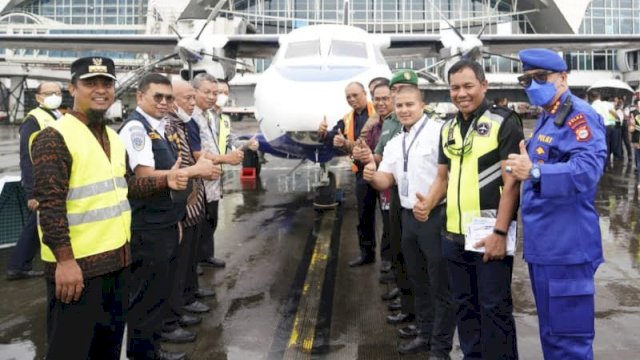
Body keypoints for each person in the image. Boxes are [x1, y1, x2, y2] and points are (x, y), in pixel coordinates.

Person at [30, 57, 181, 359]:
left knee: (107, 350)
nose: (100, 90)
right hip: (78, 271)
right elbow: (50, 205)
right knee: (70, 351)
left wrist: (168, 179)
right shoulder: (54, 137)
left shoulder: (112, 137)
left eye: (106, 83)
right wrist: (65, 261)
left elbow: (126, 186)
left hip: (117, 265)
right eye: (90, 83)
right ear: (73, 88)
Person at [506, 48, 607, 360]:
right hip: (546, 247)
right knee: (552, 335)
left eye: (540, 78)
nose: (533, 85)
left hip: (566, 248)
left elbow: (587, 171)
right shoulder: (549, 117)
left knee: (568, 342)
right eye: (527, 80)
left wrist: (534, 171)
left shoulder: (579, 116)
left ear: (563, 78)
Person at [417, 59, 523, 359]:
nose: (461, 93)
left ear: (484, 86)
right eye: (454, 88)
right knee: (465, 306)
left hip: (489, 235)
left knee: (494, 309)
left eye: (468, 86)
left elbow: (512, 184)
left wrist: (501, 232)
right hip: (453, 236)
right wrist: (429, 202)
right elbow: (443, 177)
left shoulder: (505, 122)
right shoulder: (448, 127)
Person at [119, 73, 218, 360]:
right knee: (146, 298)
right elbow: (145, 177)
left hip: (163, 222)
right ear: (140, 97)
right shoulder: (137, 129)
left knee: (157, 293)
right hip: (147, 227)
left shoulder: (158, 127)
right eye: (157, 97)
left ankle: (153, 350)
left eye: (168, 98)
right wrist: (191, 172)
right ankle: (143, 354)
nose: (164, 103)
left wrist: (174, 220)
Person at [363, 86, 456, 359]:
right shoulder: (394, 142)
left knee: (440, 284)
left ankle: (441, 347)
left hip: (434, 216)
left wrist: (430, 202)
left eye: (409, 105)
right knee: (418, 280)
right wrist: (370, 174)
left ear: (422, 105)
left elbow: (448, 175)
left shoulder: (439, 132)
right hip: (407, 217)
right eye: (399, 105)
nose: (403, 110)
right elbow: (385, 180)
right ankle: (425, 334)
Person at [161, 80, 222, 340]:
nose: (192, 102)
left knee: (188, 258)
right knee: (177, 263)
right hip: (180, 203)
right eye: (187, 98)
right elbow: (173, 166)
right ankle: (175, 313)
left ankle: (187, 297)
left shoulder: (183, 123)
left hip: (193, 199)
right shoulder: (167, 125)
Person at [190, 73, 257, 272]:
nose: (215, 96)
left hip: (215, 175)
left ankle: (206, 255)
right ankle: (194, 262)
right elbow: (196, 152)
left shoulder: (214, 116)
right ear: (195, 92)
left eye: (219, 93)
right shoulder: (193, 117)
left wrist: (245, 145)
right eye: (210, 92)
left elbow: (228, 140)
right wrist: (225, 159)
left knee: (211, 219)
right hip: (202, 175)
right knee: (197, 221)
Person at [6, 81, 63, 280]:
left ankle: (19, 265)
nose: (55, 95)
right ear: (38, 97)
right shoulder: (33, 120)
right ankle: (18, 265)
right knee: (36, 225)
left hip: (55, 181)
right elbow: (26, 158)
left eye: (57, 92)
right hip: (41, 184)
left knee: (38, 224)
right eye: (49, 93)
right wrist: (31, 192)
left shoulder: (57, 116)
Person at [318, 82, 377, 267]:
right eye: (348, 97)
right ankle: (367, 253)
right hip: (361, 171)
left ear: (365, 93)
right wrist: (323, 133)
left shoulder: (379, 111)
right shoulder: (348, 118)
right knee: (364, 215)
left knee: (391, 221)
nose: (352, 99)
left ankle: (390, 263)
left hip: (383, 169)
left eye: (355, 95)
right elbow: (334, 136)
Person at [590, 91, 619, 167]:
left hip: (601, 127)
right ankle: (610, 159)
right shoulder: (606, 104)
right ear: (599, 96)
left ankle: (605, 163)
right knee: (611, 144)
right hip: (611, 126)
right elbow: (615, 114)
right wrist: (616, 118)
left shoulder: (592, 107)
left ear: (592, 98)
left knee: (604, 145)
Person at [629, 99, 640, 175]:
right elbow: (630, 129)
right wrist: (633, 125)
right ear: (636, 105)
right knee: (638, 157)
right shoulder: (633, 114)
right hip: (637, 139)